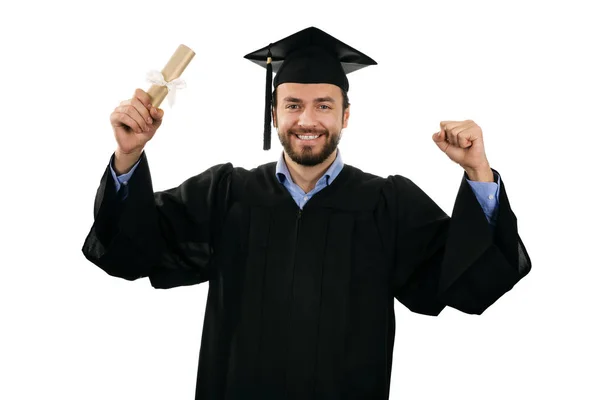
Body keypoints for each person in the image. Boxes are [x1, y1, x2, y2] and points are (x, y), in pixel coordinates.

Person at [82, 27, 531, 400]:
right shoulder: (227, 194)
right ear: (274, 112)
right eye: (293, 104)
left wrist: (478, 172)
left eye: (324, 106)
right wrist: (128, 156)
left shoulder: (386, 204)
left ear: (346, 116)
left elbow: (468, 280)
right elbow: (131, 251)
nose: (307, 119)